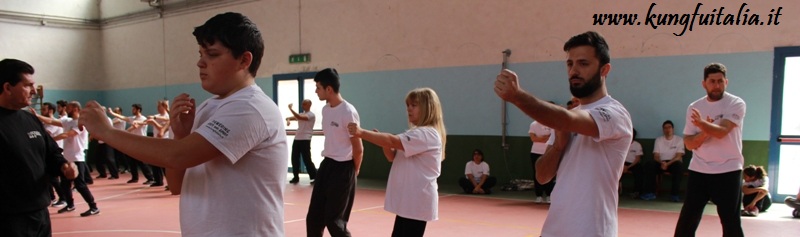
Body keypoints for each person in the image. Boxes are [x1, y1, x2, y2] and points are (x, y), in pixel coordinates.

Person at [79, 12, 287, 236]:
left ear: (244, 60)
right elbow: (177, 185)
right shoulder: (210, 107)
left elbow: (177, 155)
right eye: (200, 54)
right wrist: (180, 136)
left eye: (212, 54)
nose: (200, 62)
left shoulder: (251, 108)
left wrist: (106, 131)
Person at [494, 31, 633, 236]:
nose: (574, 71)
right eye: (570, 64)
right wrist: (559, 146)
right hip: (554, 229)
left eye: (583, 63)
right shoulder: (565, 118)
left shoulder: (614, 114)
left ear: (605, 69)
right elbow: (542, 176)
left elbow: (568, 120)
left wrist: (517, 97)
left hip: (591, 230)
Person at [347, 87, 446, 237]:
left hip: (416, 202)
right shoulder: (414, 133)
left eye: (414, 105)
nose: (409, 109)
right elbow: (392, 156)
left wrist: (361, 132)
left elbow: (393, 141)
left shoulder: (427, 134)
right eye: (408, 106)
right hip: (408, 202)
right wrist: (382, 142)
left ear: (427, 108)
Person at [0, 58, 78, 236]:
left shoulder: (31, 120)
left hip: (40, 213)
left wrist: (64, 166)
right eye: (28, 85)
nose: (34, 91)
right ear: (7, 87)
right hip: (9, 219)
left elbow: (52, 153)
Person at [675, 62, 746, 237]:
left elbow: (722, 132)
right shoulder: (694, 107)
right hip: (699, 169)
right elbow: (689, 144)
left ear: (726, 82)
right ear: (704, 83)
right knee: (687, 218)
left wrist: (701, 124)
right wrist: (705, 131)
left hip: (728, 169)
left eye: (720, 81)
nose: (716, 85)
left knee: (730, 220)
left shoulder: (735, 103)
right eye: (712, 81)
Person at [306, 68, 363, 237]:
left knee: (334, 221)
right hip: (327, 166)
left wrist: (354, 170)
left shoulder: (348, 112)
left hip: (343, 168)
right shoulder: (325, 110)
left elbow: (358, 148)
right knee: (314, 218)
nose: (316, 91)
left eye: (318, 88)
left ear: (328, 89)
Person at [108, 103, 154, 184]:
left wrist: (125, 132)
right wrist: (112, 113)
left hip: (141, 143)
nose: (132, 110)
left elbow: (135, 126)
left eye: (134, 109)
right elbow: (123, 117)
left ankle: (150, 178)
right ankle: (134, 178)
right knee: (132, 161)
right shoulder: (132, 118)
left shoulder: (142, 118)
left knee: (142, 162)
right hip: (133, 143)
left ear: (138, 110)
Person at [641, 120, 685, 202]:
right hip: (661, 163)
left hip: (673, 163)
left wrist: (668, 164)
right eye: (665, 128)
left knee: (679, 167)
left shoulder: (679, 140)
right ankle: (650, 193)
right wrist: (662, 163)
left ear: (673, 129)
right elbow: (656, 156)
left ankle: (674, 195)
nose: (667, 129)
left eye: (669, 127)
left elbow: (678, 156)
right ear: (663, 130)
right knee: (649, 165)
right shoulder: (659, 140)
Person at [286, 99, 318, 184]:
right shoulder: (301, 114)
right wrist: (288, 120)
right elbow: (289, 118)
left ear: (309, 105)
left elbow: (299, 118)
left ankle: (315, 176)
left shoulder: (311, 115)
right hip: (297, 138)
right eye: (302, 104)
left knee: (307, 159)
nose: (303, 105)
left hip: (305, 139)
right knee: (294, 158)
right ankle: (295, 177)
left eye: (304, 104)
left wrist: (291, 109)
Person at [529, 103, 554, 203]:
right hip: (535, 152)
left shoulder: (553, 124)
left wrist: (541, 138)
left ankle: (549, 195)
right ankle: (539, 195)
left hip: (548, 152)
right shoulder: (534, 124)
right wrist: (545, 137)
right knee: (537, 174)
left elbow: (552, 137)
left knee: (550, 174)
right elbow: (533, 138)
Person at [623, 128, 644, 199]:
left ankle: (636, 192)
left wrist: (627, 167)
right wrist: (623, 166)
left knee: (639, 170)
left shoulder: (637, 145)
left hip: (633, 164)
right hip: (622, 163)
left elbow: (638, 158)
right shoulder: (621, 143)